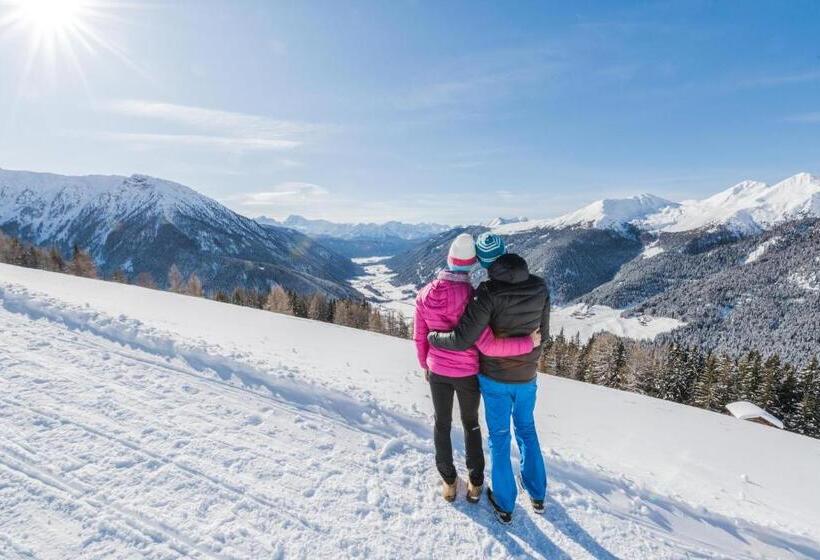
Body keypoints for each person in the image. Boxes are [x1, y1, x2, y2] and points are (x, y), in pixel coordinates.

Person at [427, 232, 550, 524]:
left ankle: (505, 503)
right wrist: (527, 355)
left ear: (483, 263)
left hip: (495, 378)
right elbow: (543, 336)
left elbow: (462, 338)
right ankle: (537, 493)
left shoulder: (487, 292)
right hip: (527, 376)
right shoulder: (540, 286)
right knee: (527, 430)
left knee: (499, 437)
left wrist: (434, 338)